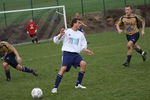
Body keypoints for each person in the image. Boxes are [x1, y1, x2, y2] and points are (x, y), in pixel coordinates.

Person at [51, 18, 94, 93]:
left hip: (75, 55)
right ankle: (55, 87)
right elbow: (56, 41)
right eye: (78, 23)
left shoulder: (80, 34)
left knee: (83, 64)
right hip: (67, 54)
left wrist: (85, 50)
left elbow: (82, 45)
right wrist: (61, 35)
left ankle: (78, 84)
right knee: (63, 68)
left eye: (80, 23)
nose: (80, 24)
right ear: (74, 23)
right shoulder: (67, 31)